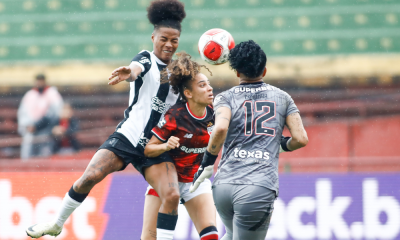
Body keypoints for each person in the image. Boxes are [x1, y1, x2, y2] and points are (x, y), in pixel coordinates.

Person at [26, 1, 186, 239]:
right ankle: (57, 223)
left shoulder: (181, 71)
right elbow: (136, 69)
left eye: (174, 40)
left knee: (172, 196)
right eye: (164, 38)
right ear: (153, 37)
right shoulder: (145, 58)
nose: (169, 44)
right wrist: (128, 73)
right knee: (89, 177)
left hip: (155, 145)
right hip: (128, 137)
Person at [190, 40, 309, 240]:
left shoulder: (224, 98)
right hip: (257, 188)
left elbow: (220, 128)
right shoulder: (282, 98)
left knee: (231, 234)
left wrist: (207, 163)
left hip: (224, 187)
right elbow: (300, 138)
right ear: (264, 70)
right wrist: (282, 145)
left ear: (237, 73)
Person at [141, 52, 218, 240]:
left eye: (208, 84)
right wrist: (166, 146)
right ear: (188, 93)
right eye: (202, 85)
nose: (209, 89)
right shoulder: (175, 116)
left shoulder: (216, 113)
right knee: (149, 238)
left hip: (195, 181)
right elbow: (148, 149)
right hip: (168, 183)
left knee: (211, 235)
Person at [18, 74, 64, 159]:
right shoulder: (30, 95)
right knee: (28, 152)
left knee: (44, 154)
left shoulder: (52, 94)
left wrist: (37, 125)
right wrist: (28, 125)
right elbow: (23, 113)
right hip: (31, 130)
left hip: (46, 130)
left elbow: (54, 114)